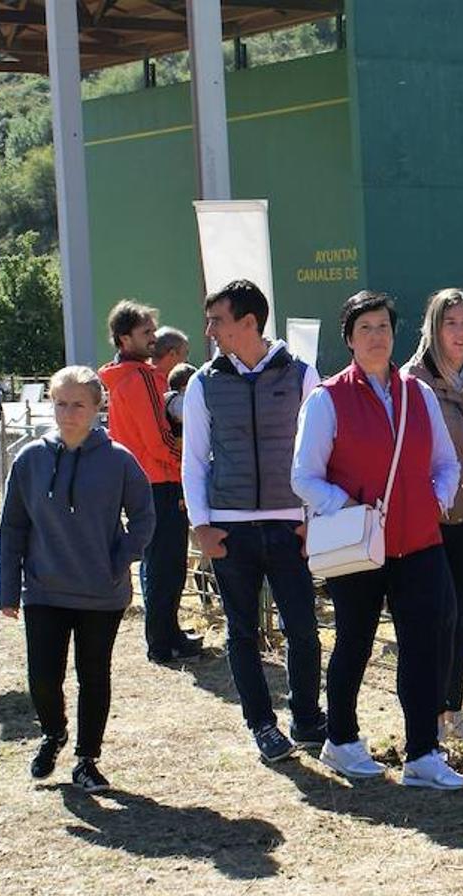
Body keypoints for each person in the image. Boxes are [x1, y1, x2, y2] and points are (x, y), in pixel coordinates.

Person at [292, 290, 463, 790]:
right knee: (355, 639)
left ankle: (423, 754)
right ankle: (341, 740)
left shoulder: (419, 393)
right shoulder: (327, 398)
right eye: (365, 328)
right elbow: (304, 477)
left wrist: (437, 499)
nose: (376, 337)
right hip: (359, 543)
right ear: (348, 338)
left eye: (384, 327)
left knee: (424, 644)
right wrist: (349, 508)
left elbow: (446, 462)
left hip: (419, 540)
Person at [183, 279, 326, 763]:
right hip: (230, 527)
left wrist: (312, 518)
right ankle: (262, 725)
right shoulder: (203, 382)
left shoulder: (304, 376)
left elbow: (322, 453)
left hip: (290, 525)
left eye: (217, 320)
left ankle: (307, 718)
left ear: (249, 322)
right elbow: (194, 459)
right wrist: (202, 526)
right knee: (241, 632)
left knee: (303, 627)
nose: (210, 331)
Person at [0, 366, 155, 791]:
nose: (68, 412)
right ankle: (53, 732)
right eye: (60, 402)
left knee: (93, 675)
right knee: (43, 676)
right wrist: (9, 587)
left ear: (97, 406)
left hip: (101, 592)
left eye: (78, 404)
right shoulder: (30, 459)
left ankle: (87, 759)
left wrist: (119, 559)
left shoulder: (119, 460)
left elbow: (144, 516)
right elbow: (12, 526)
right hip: (44, 588)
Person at [404, 288, 463, 746]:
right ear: (434, 327)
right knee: (431, 614)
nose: (460, 333)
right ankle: (425, 715)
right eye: (451, 323)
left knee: (460, 614)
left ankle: (452, 710)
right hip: (426, 515)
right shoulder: (412, 380)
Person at [99, 301, 200, 664]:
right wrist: (187, 460)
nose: (153, 339)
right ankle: (161, 641)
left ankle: (167, 633)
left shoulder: (125, 377)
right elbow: (158, 437)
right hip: (160, 480)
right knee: (166, 564)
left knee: (162, 562)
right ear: (124, 338)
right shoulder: (139, 378)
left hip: (144, 478)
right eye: (146, 333)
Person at [163, 362, 196, 439]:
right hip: (180, 442)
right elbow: (189, 417)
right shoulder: (177, 401)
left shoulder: (170, 398)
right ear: (184, 386)